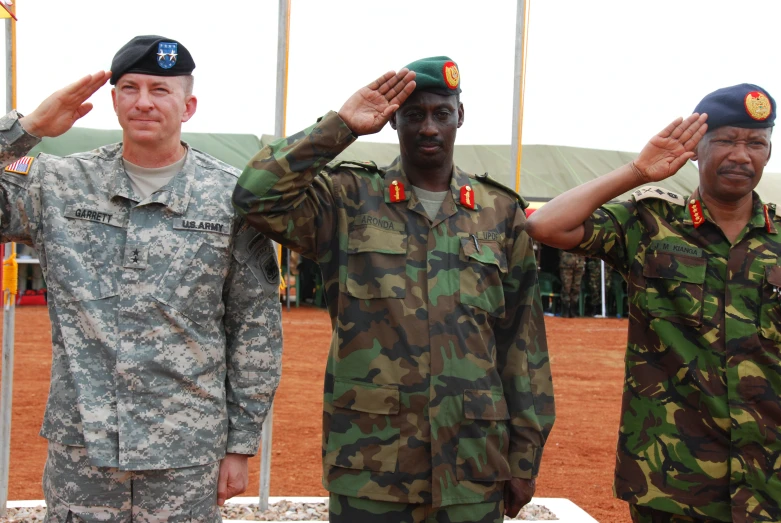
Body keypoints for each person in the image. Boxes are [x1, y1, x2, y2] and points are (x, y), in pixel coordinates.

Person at [233, 57, 555, 522]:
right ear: (393, 120)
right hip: (372, 466)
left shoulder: (500, 213)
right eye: (414, 114)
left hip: (473, 465)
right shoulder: (347, 198)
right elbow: (255, 196)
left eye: (441, 113)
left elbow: (522, 345)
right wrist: (341, 125)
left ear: (459, 116)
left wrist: (524, 457)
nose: (428, 127)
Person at [0, 35, 282, 521]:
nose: (144, 102)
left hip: (186, 455)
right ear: (113, 100)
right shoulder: (59, 184)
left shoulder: (230, 197)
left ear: (188, 106)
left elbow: (255, 325)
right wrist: (26, 129)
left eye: (160, 90)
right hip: (82, 452)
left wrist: (240, 442)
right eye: (129, 88)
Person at [526, 84, 780, 522]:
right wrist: (637, 172)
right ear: (695, 149)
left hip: (769, 481)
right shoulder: (650, 225)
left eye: (756, 142)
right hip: (671, 479)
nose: (742, 155)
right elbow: (546, 225)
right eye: (726, 140)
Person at [558, 251, 585, 317]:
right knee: (566, 287)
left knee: (576, 287)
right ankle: (565, 310)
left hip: (579, 263)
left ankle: (573, 310)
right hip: (566, 263)